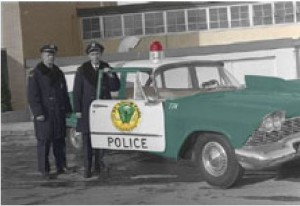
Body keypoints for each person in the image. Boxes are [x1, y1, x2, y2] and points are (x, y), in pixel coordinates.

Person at [73, 41, 120, 178]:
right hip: (87, 109)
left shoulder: (106, 67)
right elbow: (77, 91)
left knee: (101, 138)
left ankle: (99, 165)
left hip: (103, 109)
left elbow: (115, 86)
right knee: (87, 140)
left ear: (100, 54)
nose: (95, 56)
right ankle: (88, 168)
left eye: (97, 54)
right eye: (92, 54)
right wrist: (78, 110)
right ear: (89, 56)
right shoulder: (82, 69)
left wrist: (110, 75)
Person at [27, 44, 72, 179]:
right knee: (44, 142)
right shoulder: (36, 73)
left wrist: (68, 109)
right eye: (47, 55)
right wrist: (38, 112)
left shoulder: (58, 72)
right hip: (45, 115)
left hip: (58, 113)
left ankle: (61, 166)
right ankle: (44, 169)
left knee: (59, 141)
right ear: (42, 57)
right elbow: (32, 95)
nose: (50, 57)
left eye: (52, 55)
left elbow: (64, 92)